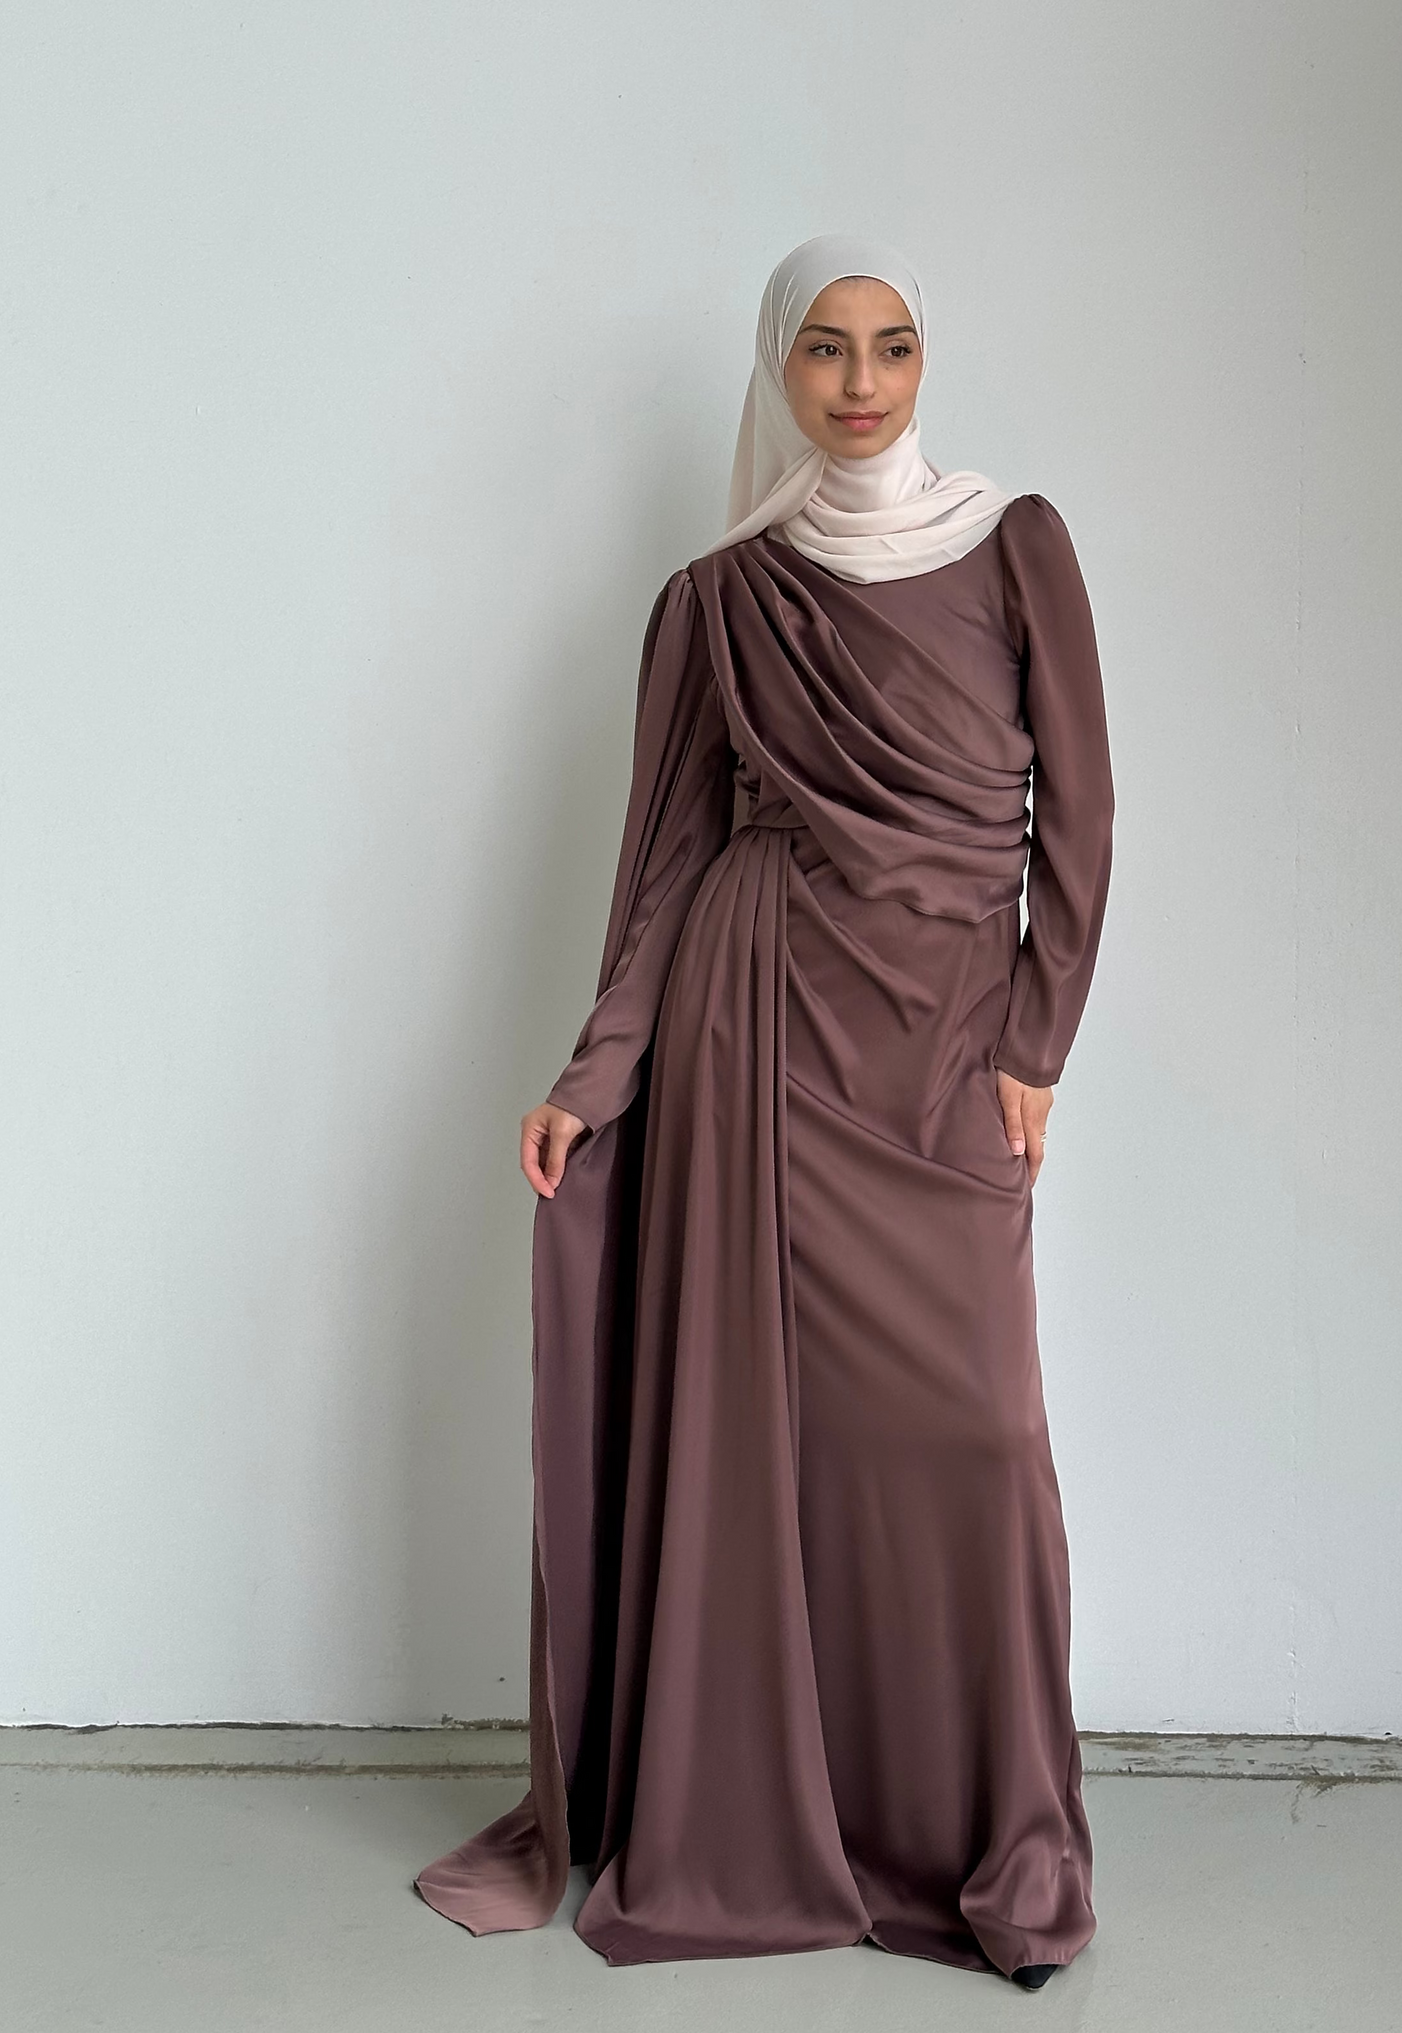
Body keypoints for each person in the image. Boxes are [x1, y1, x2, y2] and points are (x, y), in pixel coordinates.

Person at [414, 234, 1115, 1990]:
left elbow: (1081, 822)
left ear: (926, 360)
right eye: (822, 348)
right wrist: (595, 1076)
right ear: (775, 369)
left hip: (945, 1062)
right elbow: (669, 860)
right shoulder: (720, 596)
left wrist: (1033, 1047)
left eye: (891, 345)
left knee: (975, 1442)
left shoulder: (1016, 543)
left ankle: (985, 1838)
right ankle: (796, 1817)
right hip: (761, 1050)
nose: (860, 382)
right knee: (788, 1460)